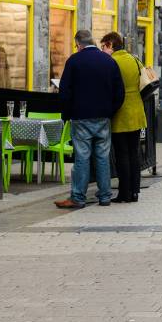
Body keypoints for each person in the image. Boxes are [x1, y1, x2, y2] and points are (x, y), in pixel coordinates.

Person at [54, 29, 124, 210]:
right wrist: (110, 110)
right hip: (103, 118)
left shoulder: (74, 61)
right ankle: (105, 196)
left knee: (82, 158)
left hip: (81, 117)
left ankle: (78, 197)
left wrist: (67, 114)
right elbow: (119, 92)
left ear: (78, 44)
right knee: (102, 157)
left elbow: (64, 92)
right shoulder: (109, 61)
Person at [101, 32, 145, 204]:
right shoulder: (134, 59)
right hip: (137, 111)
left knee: (122, 155)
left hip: (121, 112)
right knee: (135, 153)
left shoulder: (112, 62)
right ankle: (135, 191)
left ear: (111, 45)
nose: (102, 50)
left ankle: (124, 192)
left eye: (103, 46)